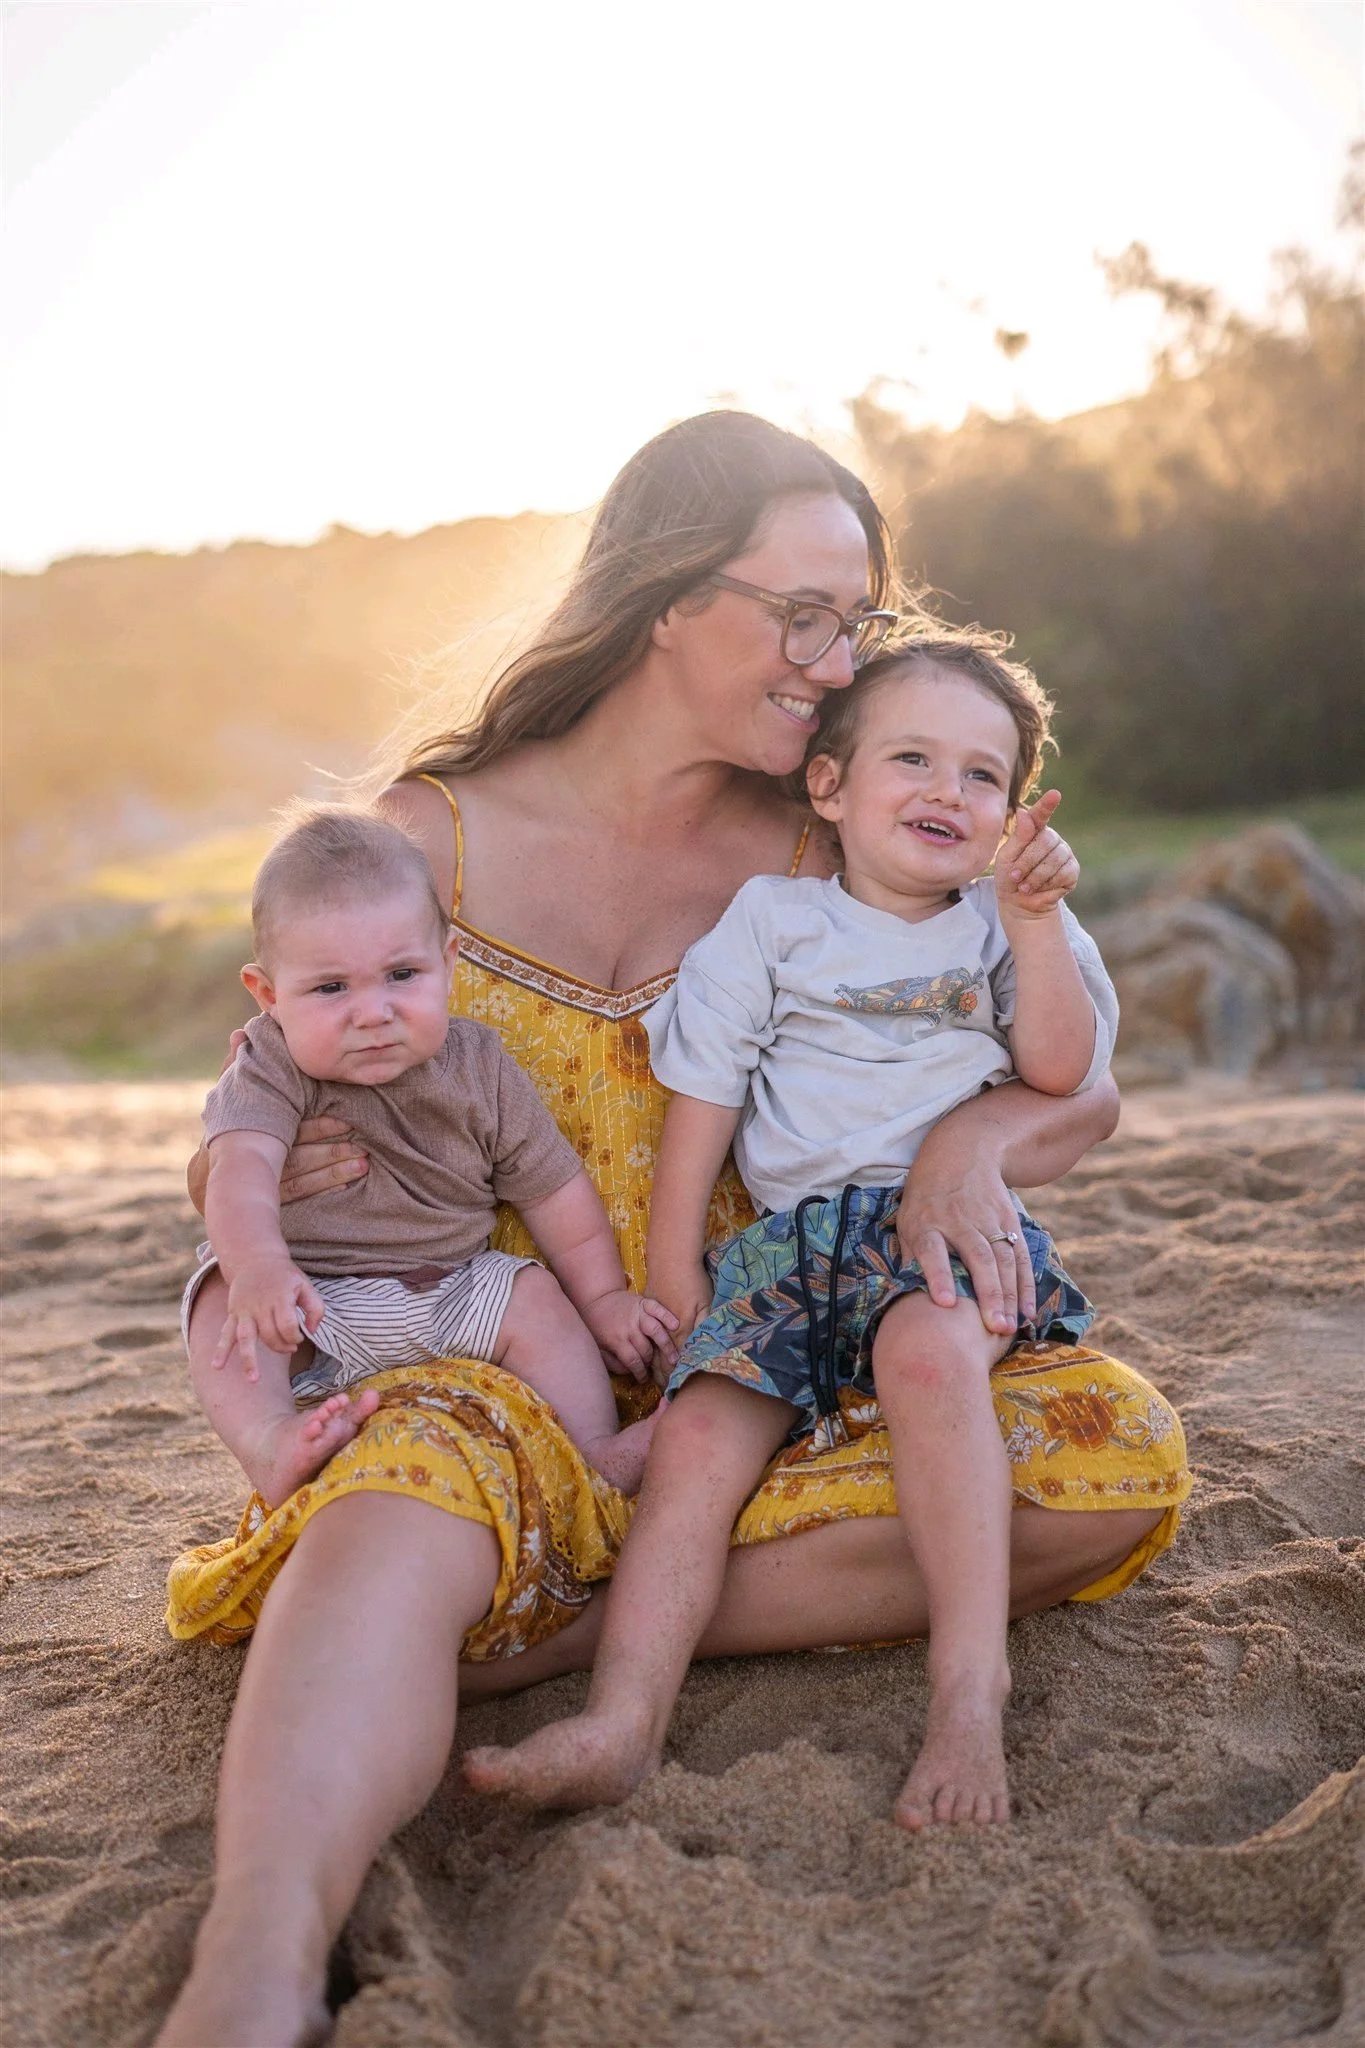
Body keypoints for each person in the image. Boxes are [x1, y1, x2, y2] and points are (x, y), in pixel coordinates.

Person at [157, 412, 1189, 2048]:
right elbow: (270, 1105)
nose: (837, 658)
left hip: (783, 1373)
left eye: (856, 618)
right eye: (802, 615)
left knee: (1101, 1450)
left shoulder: (833, 833)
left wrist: (970, 1148)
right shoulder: (428, 841)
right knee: (410, 1484)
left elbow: (1077, 1083)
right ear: (661, 599)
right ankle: (259, 1948)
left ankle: (514, 1620)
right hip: (502, 1376)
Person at [462, 634, 1114, 1829]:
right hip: (790, 1244)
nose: (946, 791)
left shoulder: (1003, 922)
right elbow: (700, 1102)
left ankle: (968, 1692)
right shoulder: (775, 919)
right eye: (912, 756)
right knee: (700, 1438)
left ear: (1015, 814)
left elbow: (1066, 1070)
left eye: (983, 776)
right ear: (830, 785)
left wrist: (1030, 917)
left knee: (928, 1359)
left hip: (943, 1233)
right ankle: (623, 1718)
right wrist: (673, 1280)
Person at [186, 803, 672, 1506]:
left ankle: (594, 1451)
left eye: (401, 974)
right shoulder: (268, 1063)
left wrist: (602, 1300)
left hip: (452, 1287)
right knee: (219, 1300)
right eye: (330, 988)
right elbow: (241, 1170)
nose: (373, 1011)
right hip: (313, 1306)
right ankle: (269, 1444)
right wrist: (259, 1267)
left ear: (446, 964)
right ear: (268, 995)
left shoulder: (479, 1063)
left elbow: (553, 1192)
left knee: (534, 1300)